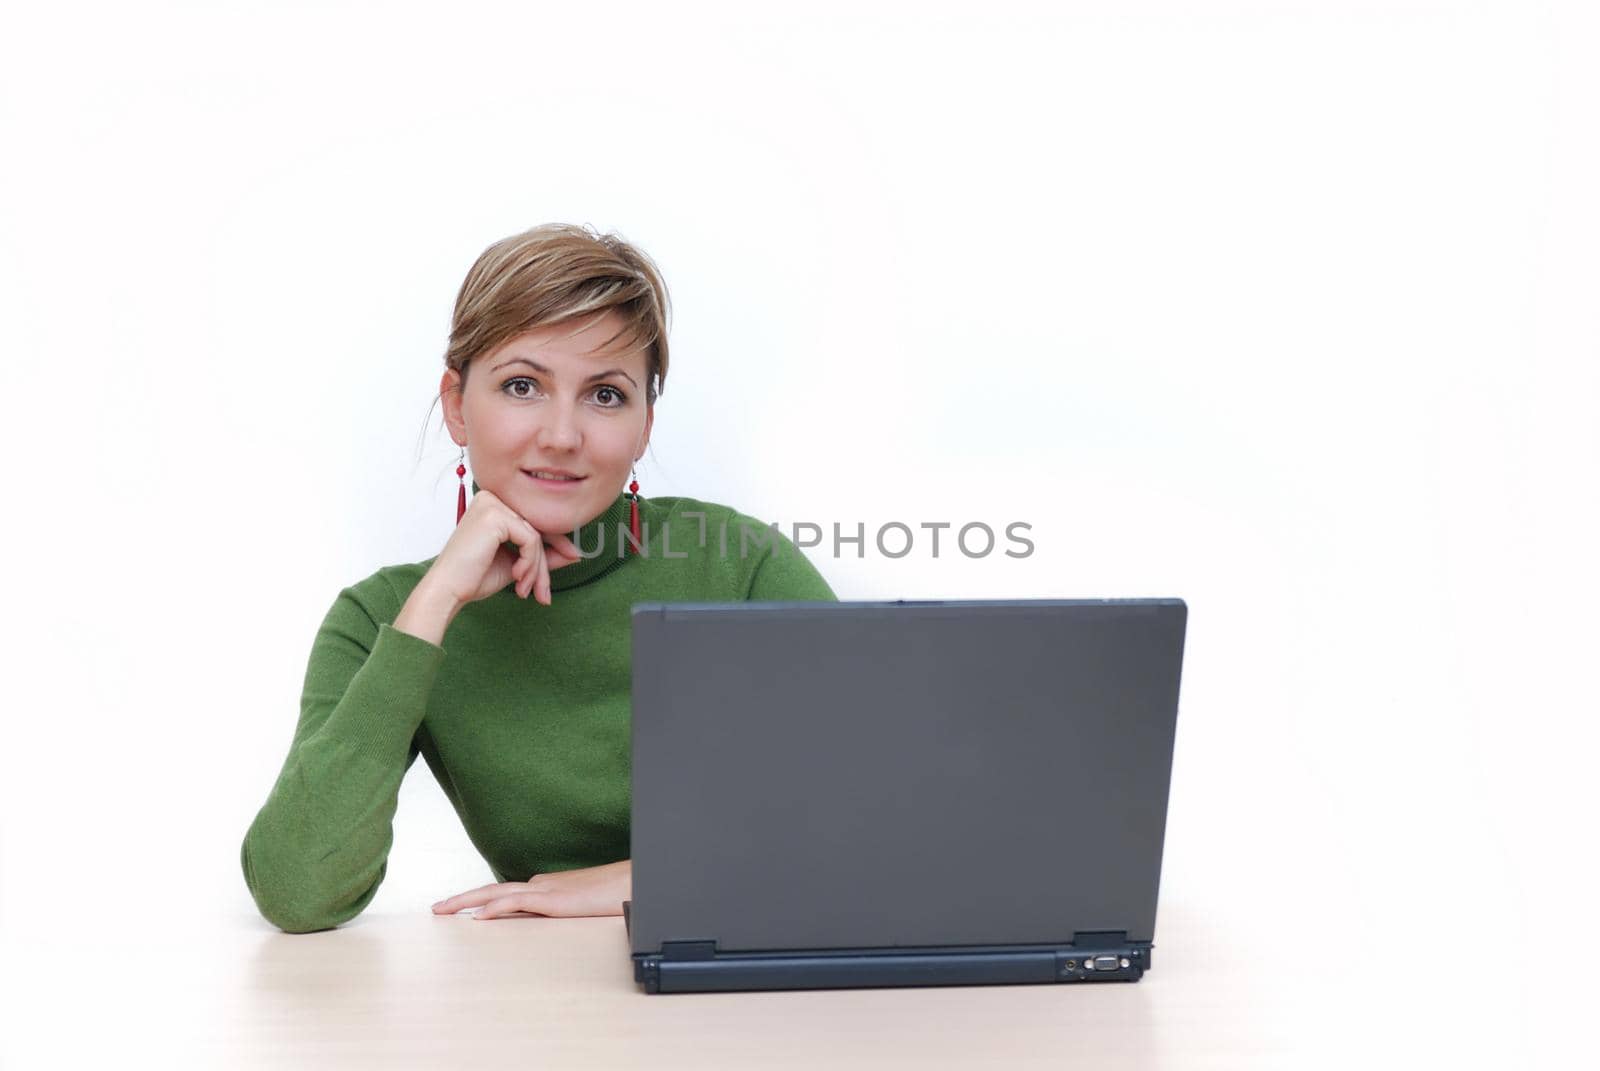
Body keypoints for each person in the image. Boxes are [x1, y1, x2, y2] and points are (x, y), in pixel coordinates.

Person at [241, 224, 835, 934]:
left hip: (758, 972)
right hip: (541, 992)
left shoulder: (740, 566)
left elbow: (889, 817)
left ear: (646, 424)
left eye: (606, 395)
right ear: (458, 405)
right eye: (522, 386)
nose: (562, 434)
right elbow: (298, 890)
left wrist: (639, 883)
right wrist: (435, 601)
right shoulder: (382, 620)